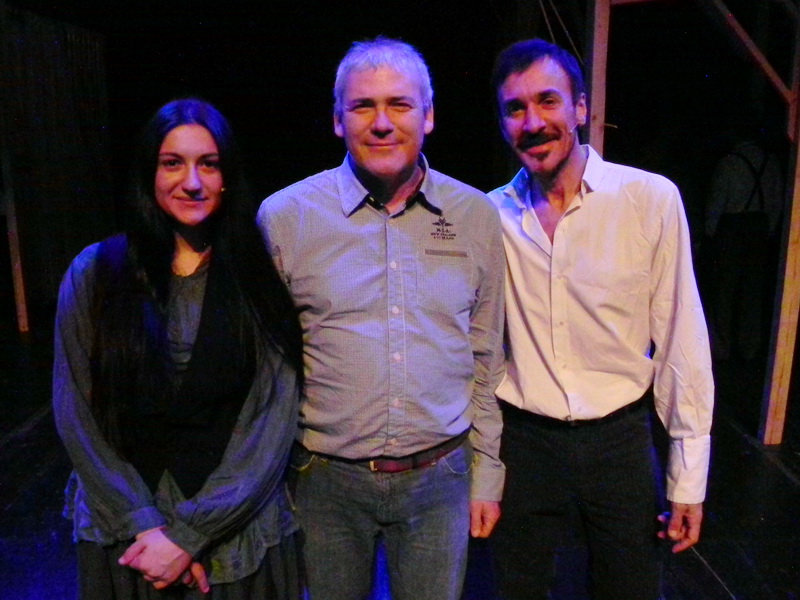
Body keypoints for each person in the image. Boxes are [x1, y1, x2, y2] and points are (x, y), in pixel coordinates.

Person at [257, 37, 505, 600]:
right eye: (363, 106)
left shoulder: (474, 215)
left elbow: (486, 357)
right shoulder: (285, 218)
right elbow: (267, 367)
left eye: (400, 104)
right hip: (323, 482)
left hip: (441, 479)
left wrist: (488, 474)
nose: (383, 122)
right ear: (337, 120)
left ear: (429, 115)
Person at [486, 39, 714, 599]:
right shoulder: (490, 216)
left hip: (619, 441)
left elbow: (681, 339)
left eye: (548, 101)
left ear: (581, 108)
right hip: (525, 443)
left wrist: (688, 476)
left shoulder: (648, 199)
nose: (533, 122)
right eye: (515, 108)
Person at [53, 98, 304, 599]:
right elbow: (76, 409)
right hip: (129, 536)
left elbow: (269, 422)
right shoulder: (94, 273)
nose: (192, 182)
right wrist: (145, 526)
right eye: (173, 163)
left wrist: (191, 534)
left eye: (208, 164)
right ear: (149, 172)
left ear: (227, 177)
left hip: (231, 531)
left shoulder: (259, 279)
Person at [705, 134, 784, 361]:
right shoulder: (771, 162)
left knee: (725, 289)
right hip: (759, 229)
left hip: (732, 229)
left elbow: (717, 200)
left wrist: (710, 233)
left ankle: (722, 346)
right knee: (753, 290)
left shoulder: (729, 162)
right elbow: (777, 202)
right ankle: (749, 346)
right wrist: (768, 230)